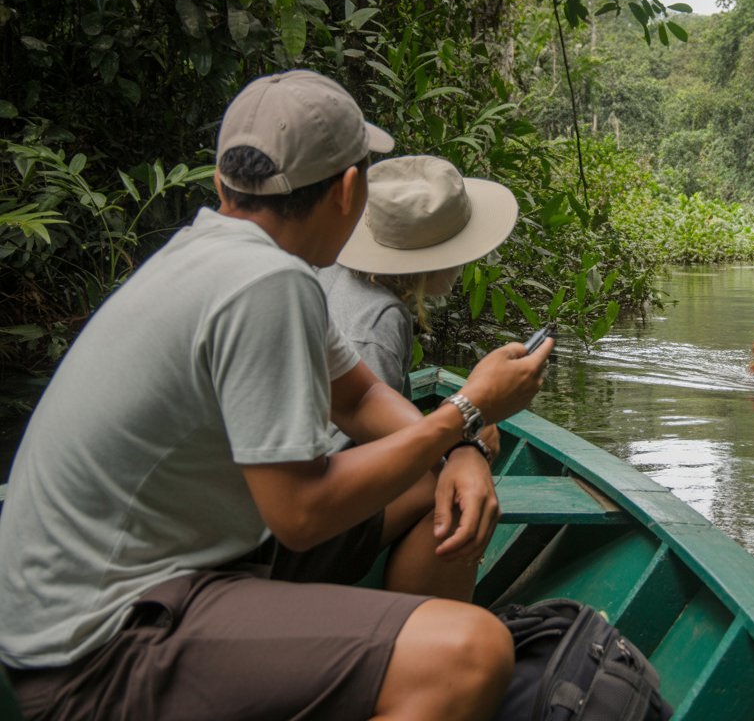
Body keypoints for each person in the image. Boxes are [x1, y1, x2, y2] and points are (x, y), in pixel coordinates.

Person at [0, 70, 552, 720]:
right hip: (98, 652)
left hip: (158, 583)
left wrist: (459, 448)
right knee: (473, 653)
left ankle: (386, 665)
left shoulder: (221, 251)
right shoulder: (266, 283)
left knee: (438, 489)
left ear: (222, 184)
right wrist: (468, 410)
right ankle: (419, 674)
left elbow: (354, 400)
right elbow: (302, 513)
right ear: (350, 191)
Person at [275, 153, 520, 601]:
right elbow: (366, 457)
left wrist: (457, 431)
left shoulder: (332, 271)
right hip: (299, 534)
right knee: (449, 491)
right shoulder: (378, 323)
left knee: (457, 453)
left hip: (286, 496)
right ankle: (427, 630)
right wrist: (461, 448)